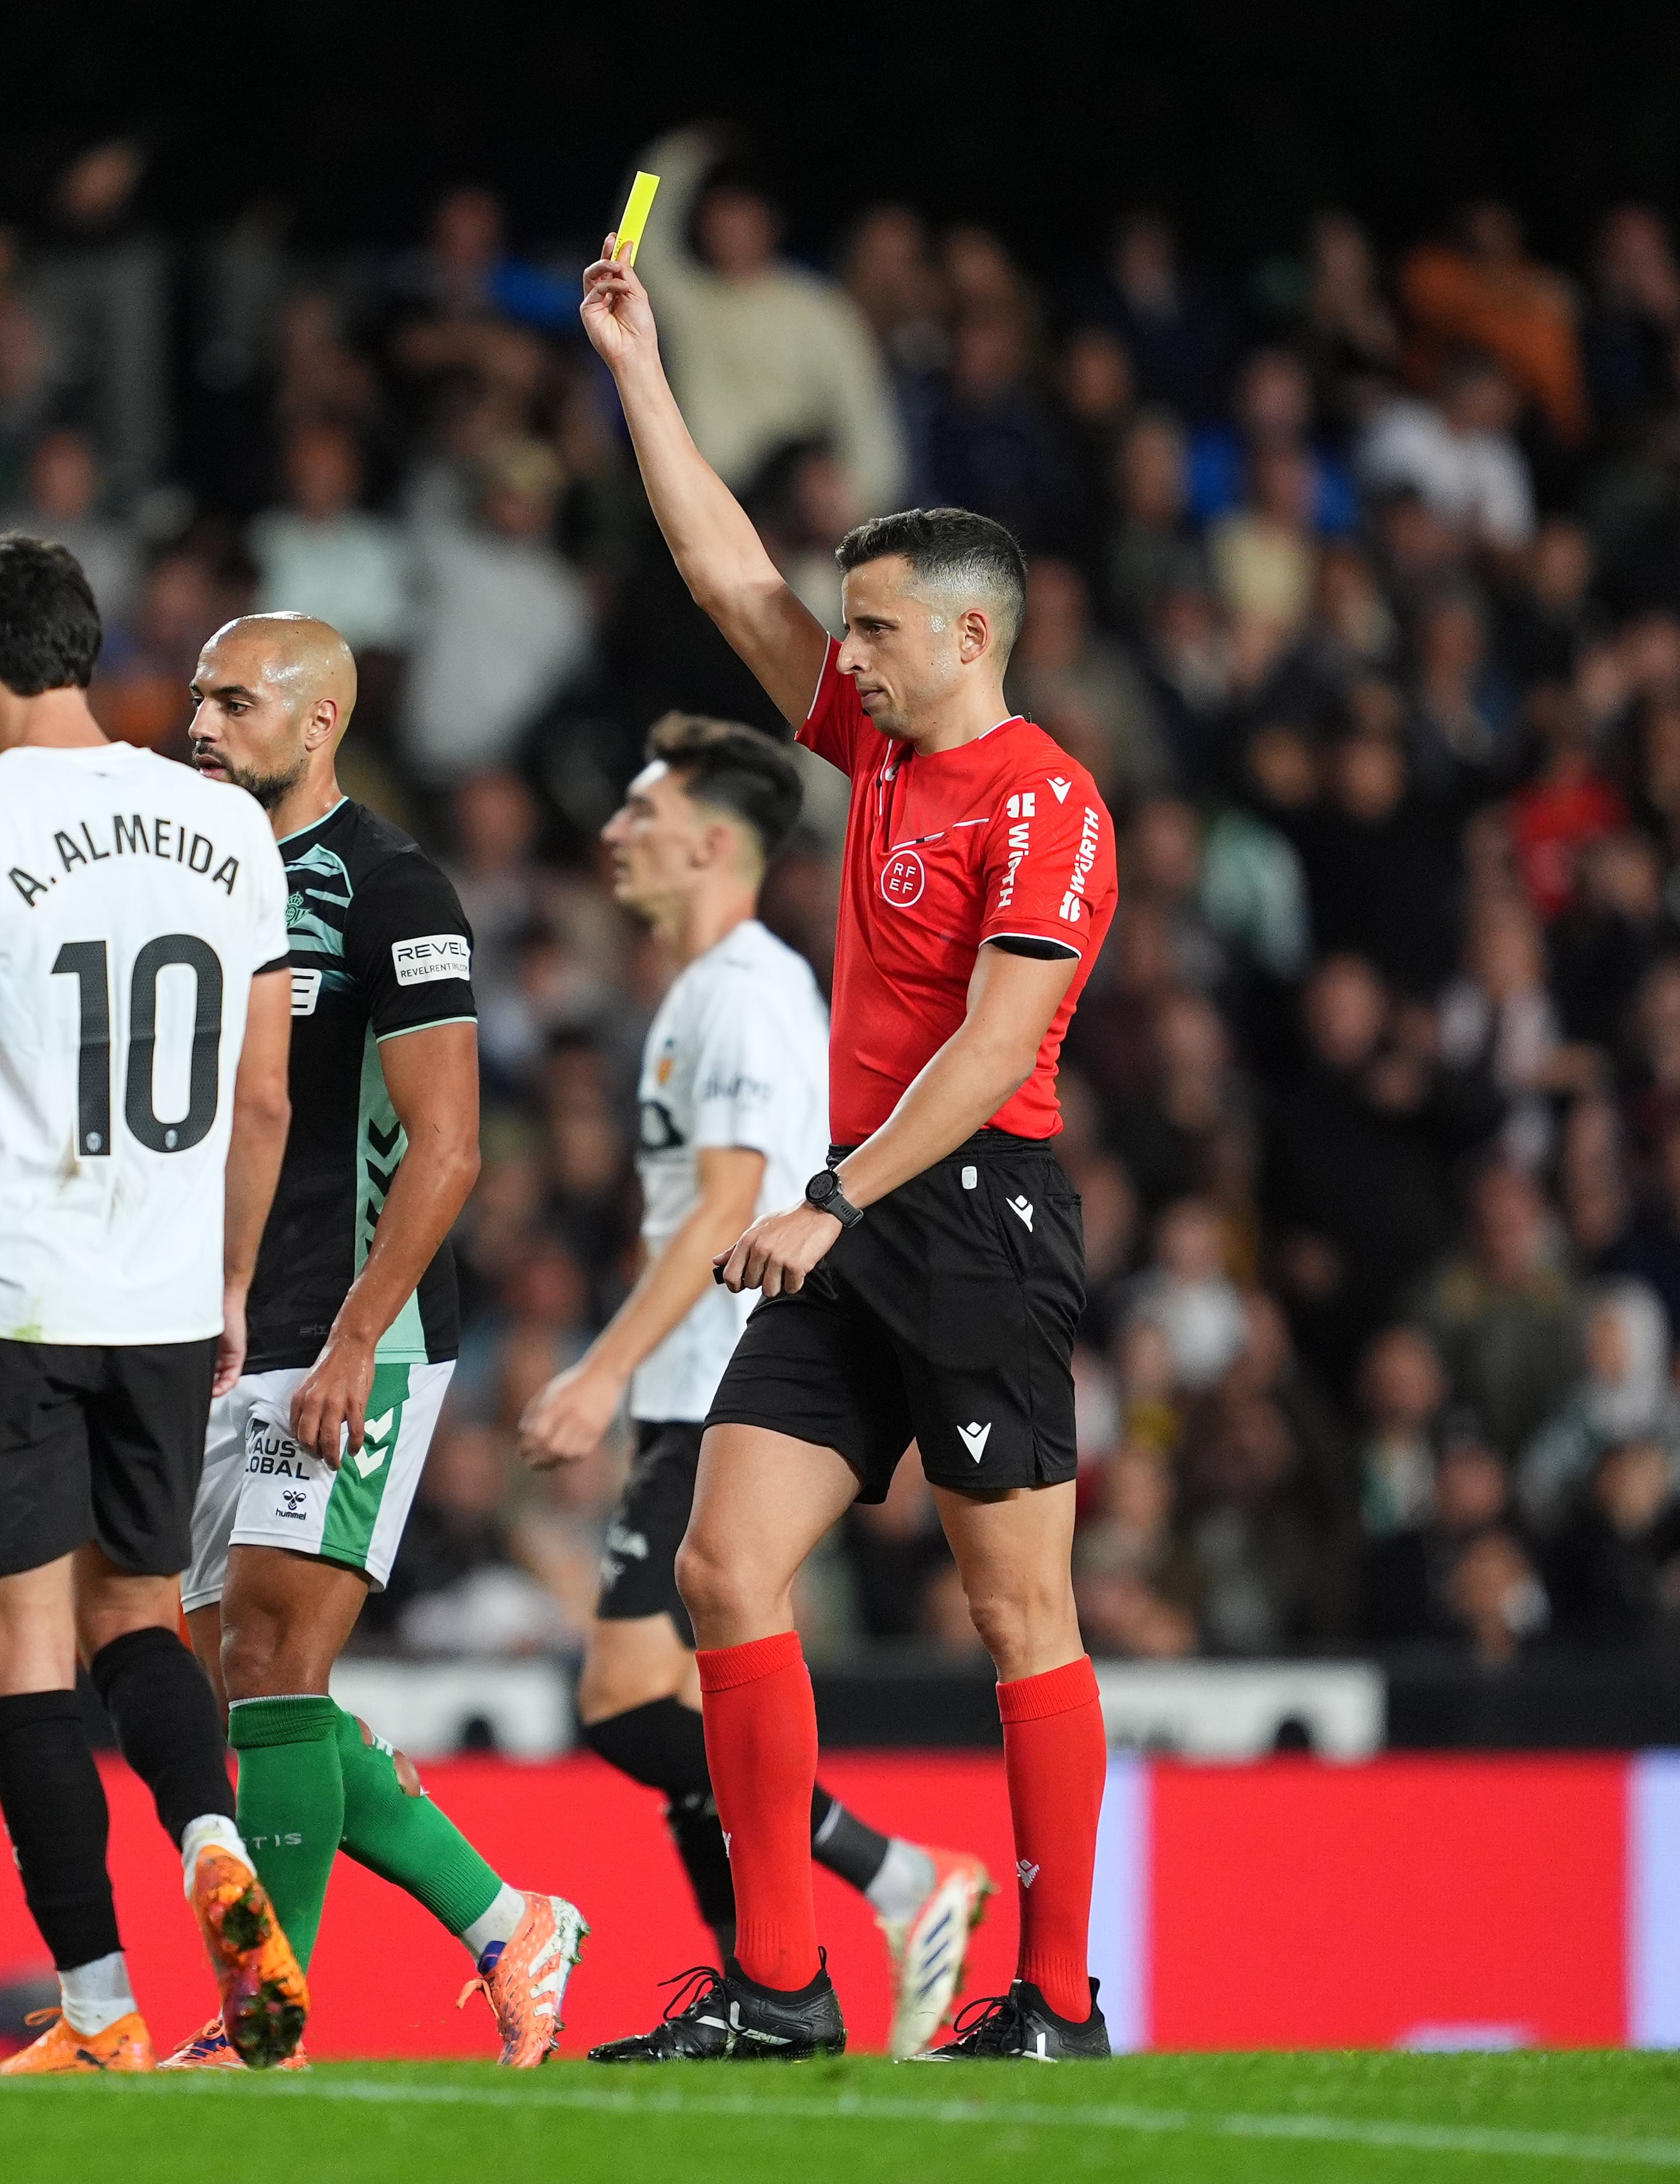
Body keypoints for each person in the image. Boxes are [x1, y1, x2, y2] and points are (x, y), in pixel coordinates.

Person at [582, 240, 1121, 2064]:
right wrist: (639, 367)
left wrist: (832, 1195)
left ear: (969, 635)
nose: (848, 655)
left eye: (876, 629)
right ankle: (782, 1986)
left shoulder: (1046, 804)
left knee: (1016, 1608)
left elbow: (997, 1050)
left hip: (965, 1221)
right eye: (850, 628)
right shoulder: (878, 750)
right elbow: (722, 572)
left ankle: (1058, 2000)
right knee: (725, 1572)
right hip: (855, 1221)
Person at [0, 535, 305, 2072]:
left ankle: (98, 2006)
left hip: (3, 1295)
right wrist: (231, 1279)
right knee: (138, 1618)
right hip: (163, 1297)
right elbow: (266, 1096)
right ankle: (212, 1839)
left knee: (24, 1657)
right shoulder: (228, 824)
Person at [516, 710, 996, 2058]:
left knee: (627, 1702)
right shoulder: (713, 989)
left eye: (643, 811)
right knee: (685, 1712)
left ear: (713, 844)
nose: (614, 832)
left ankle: (892, 1880)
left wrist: (601, 1371)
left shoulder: (741, 991)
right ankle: (768, 1988)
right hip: (701, 1375)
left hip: (714, 1374)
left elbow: (728, 1206)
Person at [171, 610, 584, 2070]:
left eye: (233, 701)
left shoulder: (392, 886)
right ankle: (511, 1922)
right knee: (237, 1684)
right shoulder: (182, 875)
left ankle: (264, 2027)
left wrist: (355, 1339)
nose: (199, 724)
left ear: (319, 720)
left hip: (354, 1327)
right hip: (208, 1327)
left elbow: (449, 1144)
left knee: (273, 1657)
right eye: (196, 697)